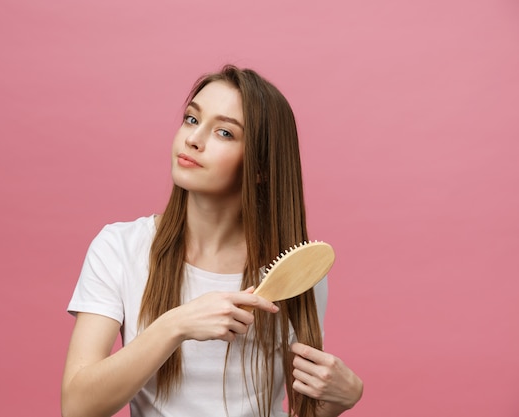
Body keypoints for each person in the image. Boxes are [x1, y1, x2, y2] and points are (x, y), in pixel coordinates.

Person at [61, 65, 363, 417]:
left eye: (223, 132)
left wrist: (338, 403)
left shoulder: (294, 271)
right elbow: (78, 406)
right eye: (191, 119)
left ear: (261, 167)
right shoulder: (119, 248)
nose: (193, 139)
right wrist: (176, 324)